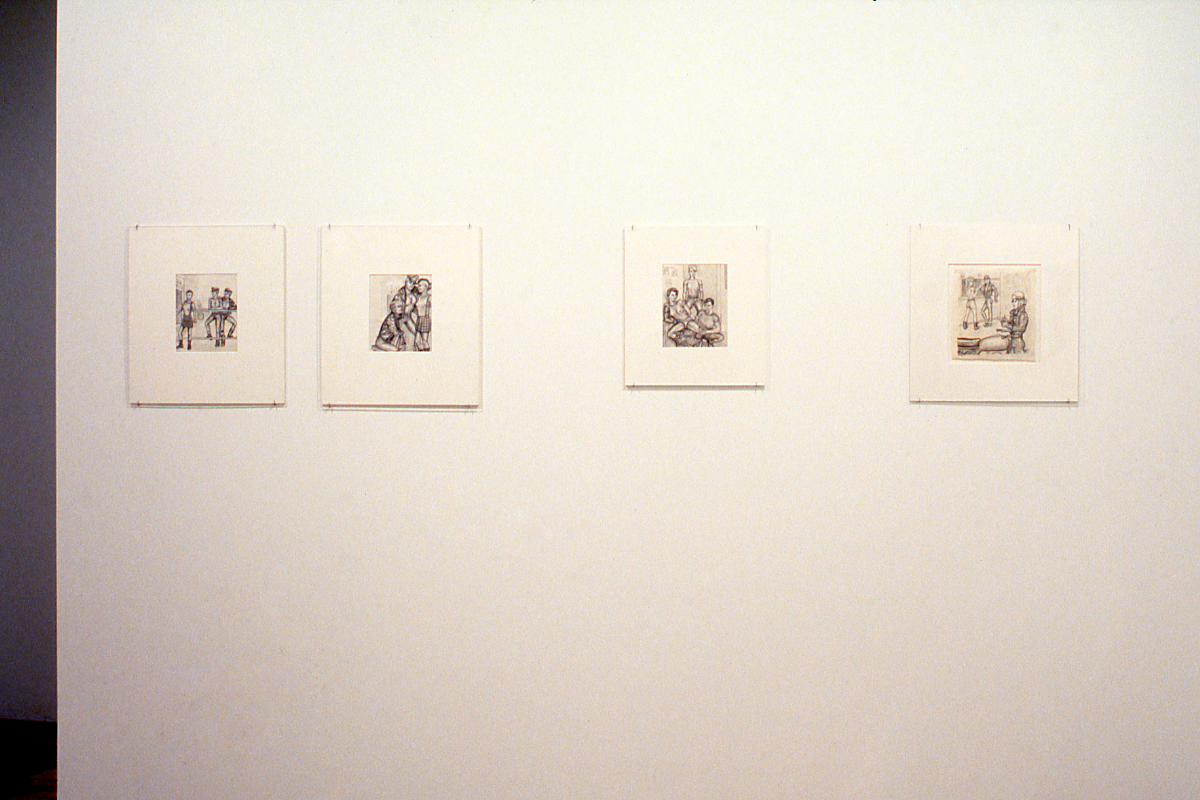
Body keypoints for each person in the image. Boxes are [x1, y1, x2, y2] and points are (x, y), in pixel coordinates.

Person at [413, 278, 431, 351]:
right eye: (418, 286)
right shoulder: (418, 297)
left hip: (425, 319)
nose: (418, 287)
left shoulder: (429, 297)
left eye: (420, 286)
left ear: (426, 287)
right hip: (419, 320)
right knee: (417, 341)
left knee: (424, 341)